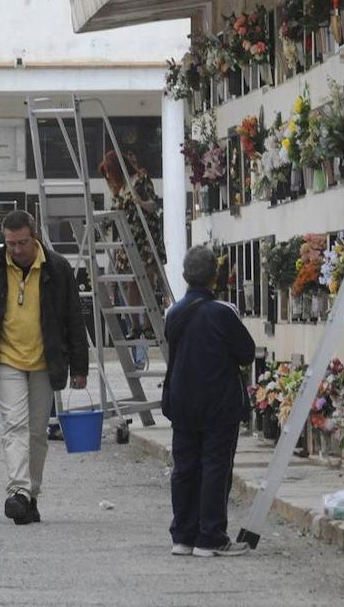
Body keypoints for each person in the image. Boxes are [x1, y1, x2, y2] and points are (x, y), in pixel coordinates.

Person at [0, 210, 89, 525]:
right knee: (14, 425)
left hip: (47, 360)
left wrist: (79, 367)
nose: (16, 250)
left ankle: (30, 495)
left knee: (37, 432)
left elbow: (74, 317)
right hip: (6, 359)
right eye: (10, 243)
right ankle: (18, 491)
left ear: (35, 237)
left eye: (22, 243)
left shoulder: (57, 268)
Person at [162, 245, 256, 557]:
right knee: (216, 466)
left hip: (182, 400)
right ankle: (211, 536)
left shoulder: (173, 313)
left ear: (185, 276)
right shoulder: (222, 312)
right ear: (215, 276)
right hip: (218, 401)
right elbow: (246, 352)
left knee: (185, 467)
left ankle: (183, 536)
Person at [98, 149, 167, 363]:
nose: (109, 178)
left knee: (146, 278)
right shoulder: (118, 189)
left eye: (110, 172)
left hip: (144, 237)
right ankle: (135, 325)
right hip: (127, 238)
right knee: (131, 283)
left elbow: (154, 204)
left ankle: (147, 325)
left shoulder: (140, 179)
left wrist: (141, 204)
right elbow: (114, 212)